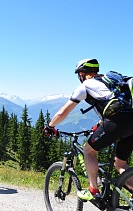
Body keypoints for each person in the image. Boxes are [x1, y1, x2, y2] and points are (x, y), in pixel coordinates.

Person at [43, 58, 133, 201]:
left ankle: (93, 191)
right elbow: (112, 107)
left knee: (88, 150)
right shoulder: (110, 81)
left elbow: (62, 113)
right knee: (120, 162)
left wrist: (50, 127)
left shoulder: (86, 85)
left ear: (82, 74)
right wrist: (100, 125)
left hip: (117, 123)